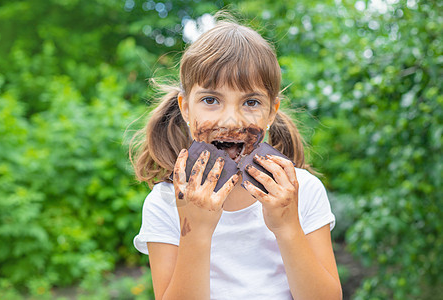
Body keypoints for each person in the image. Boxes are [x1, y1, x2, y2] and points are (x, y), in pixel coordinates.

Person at [130, 14, 342, 300]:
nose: (231, 121)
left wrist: (287, 225)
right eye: (210, 100)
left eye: (251, 102)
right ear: (186, 108)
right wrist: (196, 230)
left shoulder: (301, 192)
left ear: (271, 112)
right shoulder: (165, 203)